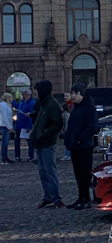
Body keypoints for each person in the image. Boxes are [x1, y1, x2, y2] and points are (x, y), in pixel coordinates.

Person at [29, 79, 64, 208]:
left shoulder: (52, 104)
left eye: (37, 90)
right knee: (42, 171)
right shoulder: (41, 103)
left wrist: (44, 134)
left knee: (50, 170)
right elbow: (39, 117)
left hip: (47, 142)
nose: (35, 92)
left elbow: (56, 124)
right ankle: (47, 196)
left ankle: (56, 197)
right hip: (39, 141)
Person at [63, 84, 99, 209]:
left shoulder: (89, 106)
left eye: (73, 93)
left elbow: (92, 127)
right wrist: (68, 139)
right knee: (78, 174)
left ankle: (86, 199)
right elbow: (72, 126)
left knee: (85, 174)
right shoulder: (75, 107)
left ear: (79, 93)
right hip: (75, 146)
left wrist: (80, 138)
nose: (72, 96)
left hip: (84, 146)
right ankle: (81, 197)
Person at [13, 92, 35, 162]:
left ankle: (30, 156)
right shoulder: (22, 102)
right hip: (19, 125)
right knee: (16, 141)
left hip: (26, 125)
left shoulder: (31, 103)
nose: (22, 96)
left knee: (29, 141)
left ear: (27, 95)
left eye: (23, 94)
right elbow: (18, 107)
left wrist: (29, 127)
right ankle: (17, 156)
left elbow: (31, 116)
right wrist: (12, 101)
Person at [0, 94, 13, 165]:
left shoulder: (6, 105)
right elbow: (5, 117)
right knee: (4, 143)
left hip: (6, 126)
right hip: (5, 126)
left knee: (6, 143)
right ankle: (4, 159)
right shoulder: (3, 106)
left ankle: (5, 157)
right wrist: (9, 127)